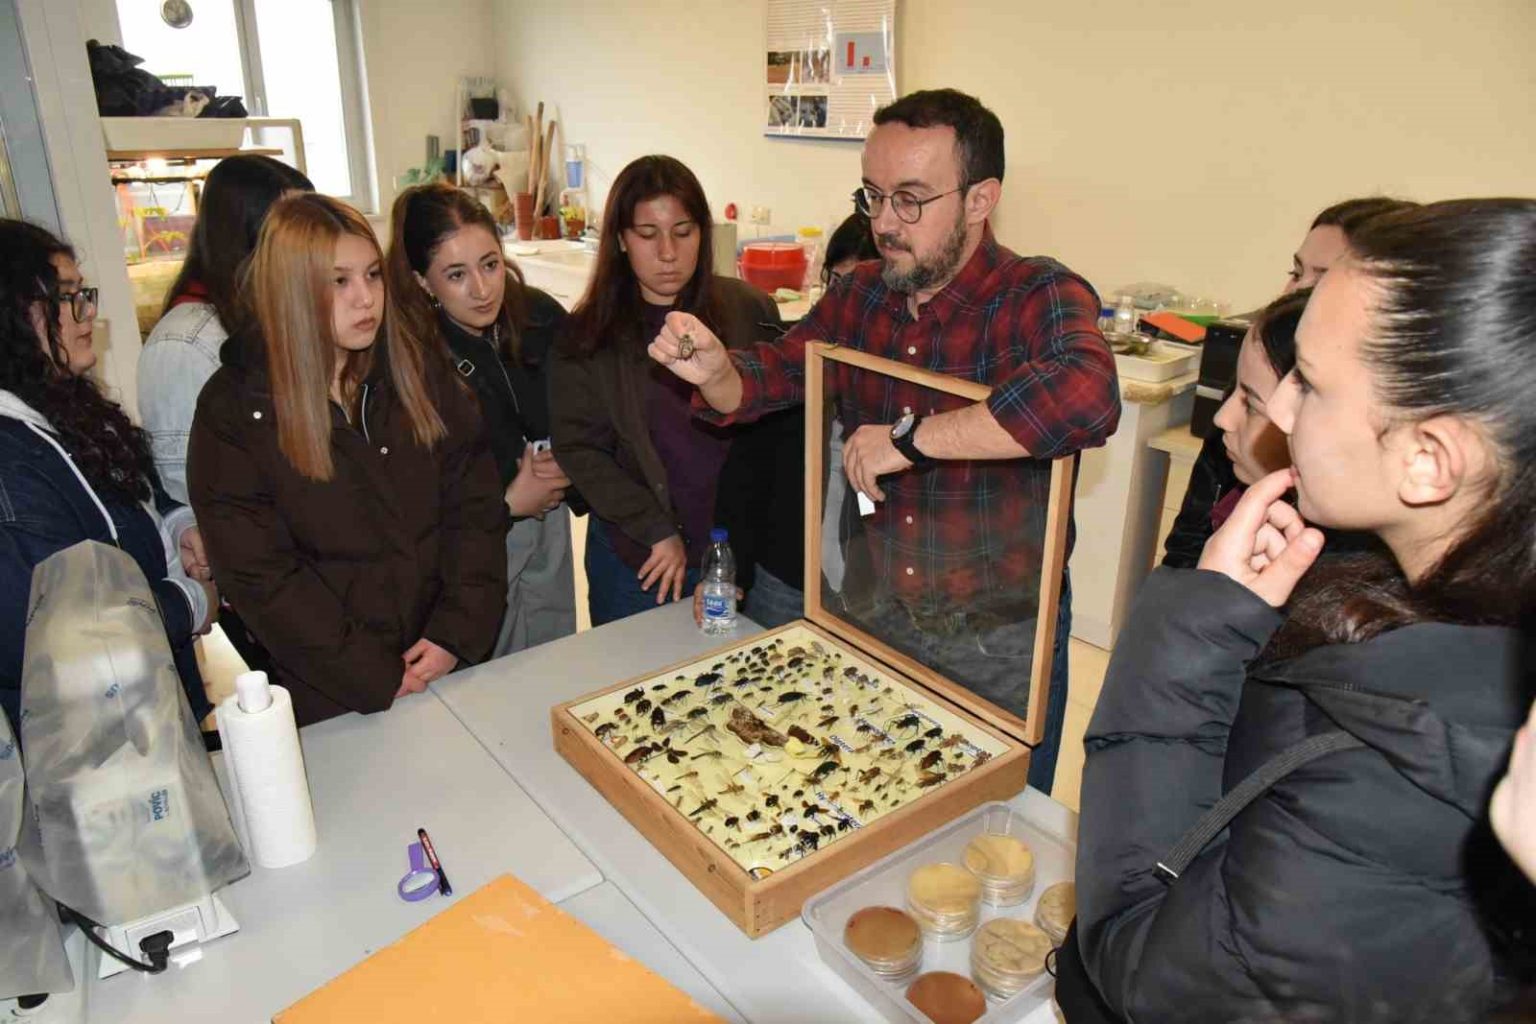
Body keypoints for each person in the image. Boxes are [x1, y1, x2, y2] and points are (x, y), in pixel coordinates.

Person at [1072, 199, 1536, 1022]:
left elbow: (1147, 966)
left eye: (1311, 385)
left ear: (1429, 460)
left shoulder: (1400, 776)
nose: (1278, 415)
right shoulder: (1423, 614)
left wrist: (1180, 639)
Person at [649, 89, 1120, 793]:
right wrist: (717, 372)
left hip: (996, 638)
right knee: (871, 795)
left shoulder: (1036, 294)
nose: (883, 223)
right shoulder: (862, 294)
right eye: (872, 195)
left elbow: (1087, 394)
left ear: (981, 199)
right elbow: (778, 374)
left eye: (910, 200)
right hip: (877, 617)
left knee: (996, 818)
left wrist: (913, 439)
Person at [188, 194, 506, 727]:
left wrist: (454, 632)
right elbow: (263, 578)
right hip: (335, 692)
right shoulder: (235, 411)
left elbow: (475, 510)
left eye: (373, 275)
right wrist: (374, 673)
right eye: (339, 281)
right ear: (291, 289)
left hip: (445, 659)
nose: (366, 299)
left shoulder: (416, 370)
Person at [549, 155, 782, 626]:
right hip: (641, 555)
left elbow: (771, 437)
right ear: (620, 239)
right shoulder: (587, 336)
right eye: (647, 234)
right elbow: (580, 449)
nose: (668, 252)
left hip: (734, 549)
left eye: (683, 231)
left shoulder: (750, 309)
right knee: (636, 669)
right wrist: (654, 528)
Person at [0, 220, 213, 734]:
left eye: (83, 293)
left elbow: (134, 492)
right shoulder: (10, 461)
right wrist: (191, 602)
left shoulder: (65, 404)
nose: (88, 311)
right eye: (66, 296)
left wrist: (179, 524)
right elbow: (59, 635)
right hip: (90, 747)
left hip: (150, 716)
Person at [1162, 196, 1415, 569]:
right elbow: (1186, 542)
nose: (1296, 293)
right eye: (1296, 273)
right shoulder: (1245, 397)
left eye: (1323, 280)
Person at [388, 183, 579, 656]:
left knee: (551, 662)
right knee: (485, 675)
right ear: (421, 281)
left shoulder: (539, 315)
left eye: (490, 264)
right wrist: (507, 504)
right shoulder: (408, 358)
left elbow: (589, 411)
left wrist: (571, 460)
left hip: (548, 521)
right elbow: (414, 502)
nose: (482, 289)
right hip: (469, 546)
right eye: (456, 275)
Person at [138, 154, 314, 503]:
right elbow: (188, 491)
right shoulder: (182, 344)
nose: (312, 245)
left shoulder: (273, 315)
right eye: (294, 231)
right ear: (244, 236)